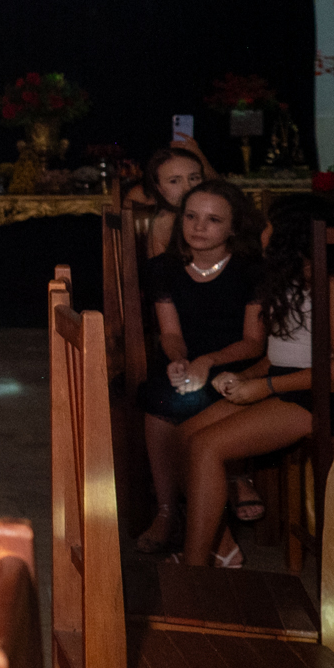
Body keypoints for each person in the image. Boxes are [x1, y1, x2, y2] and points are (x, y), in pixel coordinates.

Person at [179, 195, 334, 569]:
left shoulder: (332, 287)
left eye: (270, 225)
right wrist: (244, 377)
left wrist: (266, 388)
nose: (262, 231)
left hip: (320, 397)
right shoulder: (286, 283)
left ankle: (194, 570)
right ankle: (220, 547)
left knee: (207, 446)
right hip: (281, 384)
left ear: (291, 235)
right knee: (183, 436)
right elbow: (279, 355)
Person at [132, 180, 266, 553]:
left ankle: (229, 486)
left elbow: (253, 341)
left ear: (233, 227)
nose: (198, 227)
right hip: (187, 356)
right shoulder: (164, 268)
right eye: (191, 217)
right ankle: (165, 512)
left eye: (213, 220)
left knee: (201, 400)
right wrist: (179, 360)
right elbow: (170, 333)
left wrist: (209, 362)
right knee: (161, 400)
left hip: (234, 359)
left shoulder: (251, 270)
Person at [124, 143, 210, 259]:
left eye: (194, 178)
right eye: (174, 181)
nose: (188, 188)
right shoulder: (166, 221)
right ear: (159, 188)